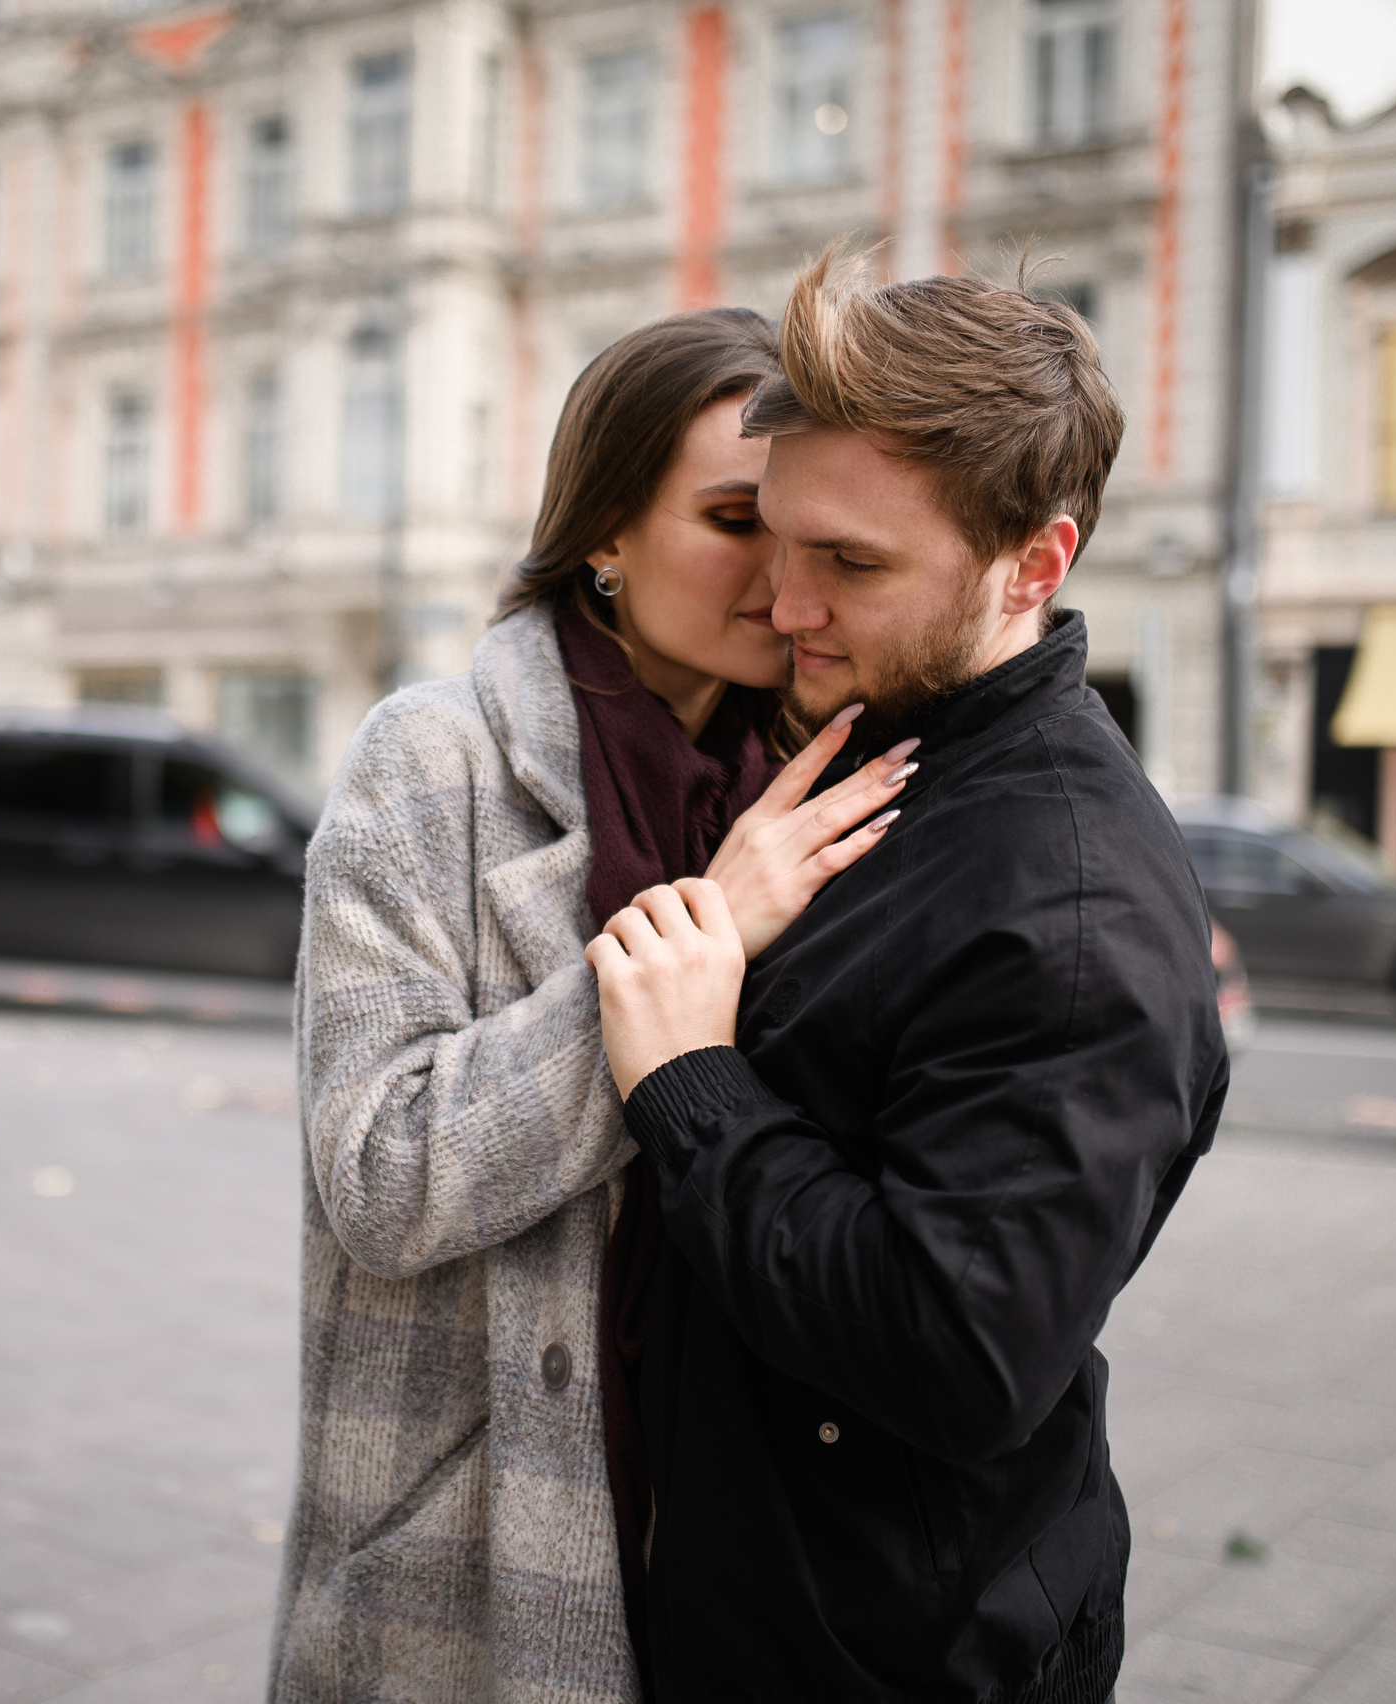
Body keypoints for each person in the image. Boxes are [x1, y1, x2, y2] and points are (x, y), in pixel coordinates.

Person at [586, 250, 1229, 1701]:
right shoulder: (892, 745)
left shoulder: (1066, 906)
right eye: (780, 537)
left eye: (853, 564)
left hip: (895, 1657)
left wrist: (691, 1084)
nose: (785, 602)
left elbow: (959, 1353)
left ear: (1035, 565)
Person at [273, 308, 919, 1703]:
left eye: (809, 533)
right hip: (478, 1548)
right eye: (735, 518)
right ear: (604, 539)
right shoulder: (434, 762)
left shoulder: (813, 783)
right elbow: (381, 1176)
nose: (781, 573)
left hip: (744, 1550)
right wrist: (706, 932)